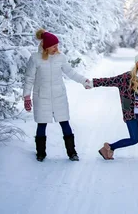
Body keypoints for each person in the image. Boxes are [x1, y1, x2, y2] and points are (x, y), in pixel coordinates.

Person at [23, 29, 91, 162]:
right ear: (46, 46)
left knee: (65, 123)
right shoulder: (35, 58)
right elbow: (29, 78)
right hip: (42, 97)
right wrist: (26, 96)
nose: (56, 48)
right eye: (53, 46)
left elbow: (71, 73)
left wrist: (84, 81)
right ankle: (41, 153)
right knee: (41, 124)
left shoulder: (61, 58)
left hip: (59, 96)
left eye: (56, 45)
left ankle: (72, 153)